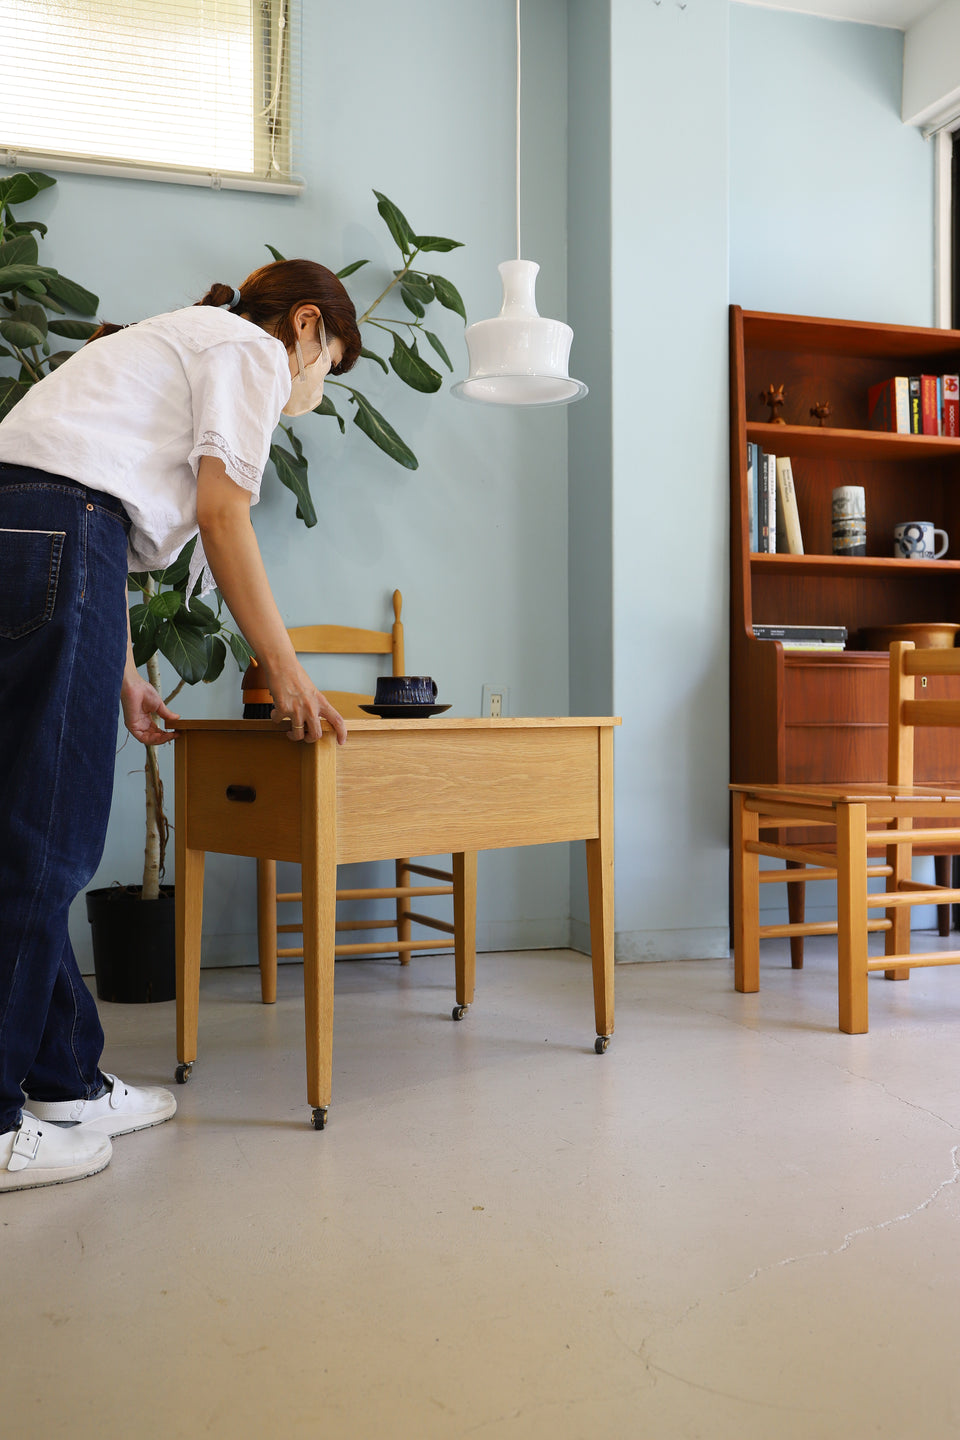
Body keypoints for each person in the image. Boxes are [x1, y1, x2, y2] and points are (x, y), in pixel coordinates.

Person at [0, 259, 360, 1190]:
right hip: (58, 533)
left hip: (36, 532)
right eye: (331, 362)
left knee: (27, 827)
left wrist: (119, 669)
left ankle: (65, 1078)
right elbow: (222, 513)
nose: (315, 386)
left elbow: (87, 506)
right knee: (46, 844)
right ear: (307, 327)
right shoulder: (247, 347)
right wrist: (285, 671)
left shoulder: (171, 340)